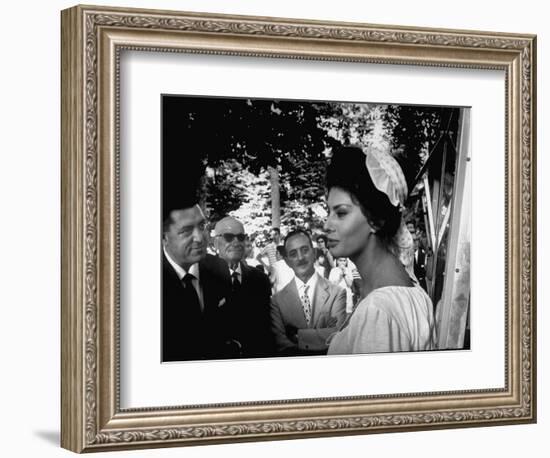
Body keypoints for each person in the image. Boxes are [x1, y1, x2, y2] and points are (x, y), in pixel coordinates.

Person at [324, 145, 436, 354]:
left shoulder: (378, 311)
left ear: (375, 220)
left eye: (341, 213)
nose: (327, 225)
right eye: (328, 211)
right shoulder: (409, 290)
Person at [162, 201, 241, 361]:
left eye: (202, 225)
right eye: (186, 231)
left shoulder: (218, 268)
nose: (200, 237)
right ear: (164, 237)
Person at [204, 216, 274, 358]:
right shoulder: (204, 279)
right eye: (229, 237)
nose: (236, 242)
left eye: (241, 237)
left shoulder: (260, 280)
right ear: (215, 243)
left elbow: (266, 328)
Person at [270, 229, 347, 356]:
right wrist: (323, 333)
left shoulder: (337, 293)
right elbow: (282, 345)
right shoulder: (276, 301)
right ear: (287, 261)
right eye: (293, 254)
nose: (300, 258)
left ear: (314, 253)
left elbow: (338, 336)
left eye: (305, 250)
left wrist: (297, 335)